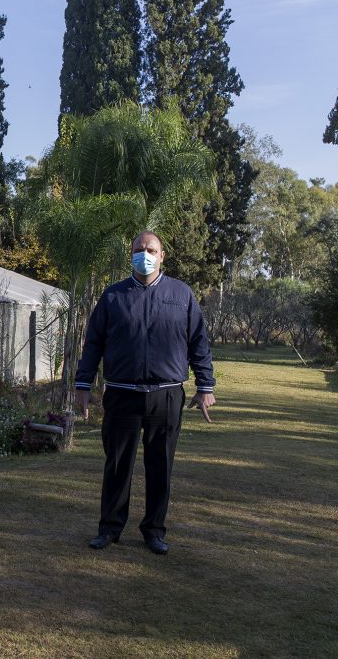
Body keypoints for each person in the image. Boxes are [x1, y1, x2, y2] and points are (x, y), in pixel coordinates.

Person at [76, 231, 216, 555]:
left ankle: (154, 531)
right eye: (139, 249)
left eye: (150, 249)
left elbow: (199, 342)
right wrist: (83, 385)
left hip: (166, 396)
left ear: (162, 255)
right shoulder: (113, 297)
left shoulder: (181, 295)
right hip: (122, 395)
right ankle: (109, 528)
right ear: (131, 254)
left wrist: (205, 386)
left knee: (160, 465)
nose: (145, 254)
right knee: (117, 465)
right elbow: (93, 343)